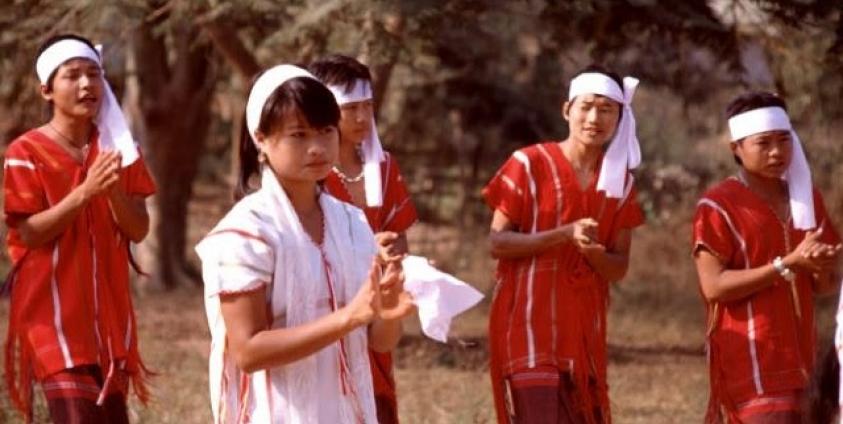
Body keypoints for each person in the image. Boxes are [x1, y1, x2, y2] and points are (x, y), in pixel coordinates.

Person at [195, 64, 415, 423]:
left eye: (326, 131)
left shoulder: (351, 223)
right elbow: (248, 351)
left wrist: (388, 313)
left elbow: (378, 341)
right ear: (261, 140)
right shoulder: (245, 233)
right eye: (298, 135)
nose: (317, 148)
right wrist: (348, 318)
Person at [3, 34, 155, 423]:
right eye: (73, 76)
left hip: (110, 322)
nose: (87, 84)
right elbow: (28, 233)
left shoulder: (120, 149)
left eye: (94, 74)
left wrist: (113, 192)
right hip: (53, 319)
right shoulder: (26, 152)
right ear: (47, 91)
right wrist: (85, 192)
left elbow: (138, 229)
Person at [483, 65, 644, 423]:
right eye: (586, 106)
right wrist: (563, 234)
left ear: (620, 116)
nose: (594, 118)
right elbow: (497, 242)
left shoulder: (621, 183)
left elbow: (618, 268)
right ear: (566, 109)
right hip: (527, 324)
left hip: (583, 335)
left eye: (606, 109)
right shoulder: (528, 163)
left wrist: (594, 253)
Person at [691, 91, 842, 423]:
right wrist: (786, 264)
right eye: (763, 143)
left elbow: (825, 287)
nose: (777, 152)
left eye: (784, 141)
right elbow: (713, 286)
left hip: (807, 363)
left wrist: (824, 265)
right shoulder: (717, 205)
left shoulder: (806, 199)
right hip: (752, 360)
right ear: (736, 148)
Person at [309, 54, 418, 424]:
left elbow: (400, 239)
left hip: (373, 311)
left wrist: (392, 253)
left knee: (375, 402)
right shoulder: (308, 172)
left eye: (367, 106)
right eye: (350, 107)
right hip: (321, 307)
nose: (361, 118)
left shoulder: (383, 167)